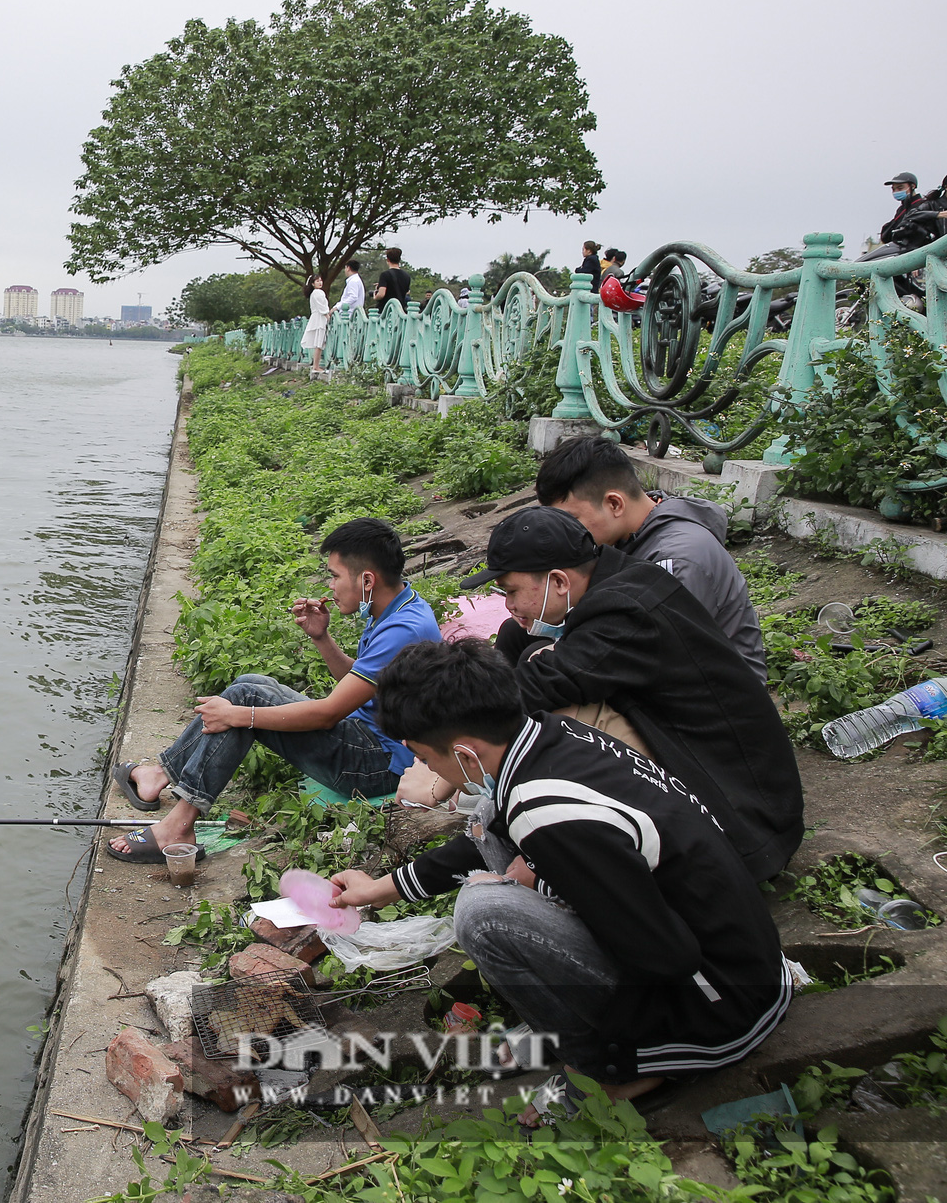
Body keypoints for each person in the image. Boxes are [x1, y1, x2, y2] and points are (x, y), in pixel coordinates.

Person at [327, 639, 790, 1106]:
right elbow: (485, 835)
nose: (423, 769)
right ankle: (594, 1037)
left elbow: (664, 955)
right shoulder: (549, 737)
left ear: (466, 754)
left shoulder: (545, 813)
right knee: (488, 826)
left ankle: (608, 1067)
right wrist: (382, 889)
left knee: (484, 912)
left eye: (426, 758)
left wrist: (526, 882)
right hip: (742, 954)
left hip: (720, 1006)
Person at [459, 507, 802, 882]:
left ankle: (549, 848)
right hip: (739, 790)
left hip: (742, 826)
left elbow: (534, 688)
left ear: (559, 581)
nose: (508, 605)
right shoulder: (625, 581)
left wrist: (450, 754)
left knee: (557, 721)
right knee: (525, 650)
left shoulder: (624, 612)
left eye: (511, 591)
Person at [107, 517, 442, 862]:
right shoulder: (396, 606)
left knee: (244, 702)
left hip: (380, 766)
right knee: (251, 685)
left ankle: (176, 825)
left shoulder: (403, 629)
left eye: (335, 575)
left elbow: (329, 713)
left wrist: (239, 715)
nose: (330, 586)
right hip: (370, 740)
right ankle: (160, 775)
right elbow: (360, 684)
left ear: (367, 580)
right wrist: (321, 637)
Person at [534, 436, 765, 680]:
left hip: (715, 701)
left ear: (614, 504)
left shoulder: (677, 559)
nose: (565, 532)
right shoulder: (629, 535)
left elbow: (652, 655)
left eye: (571, 520)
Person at [302, 276, 331, 370]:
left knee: (319, 344)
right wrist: (327, 314)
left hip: (316, 317)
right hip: (319, 318)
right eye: (317, 281)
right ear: (313, 283)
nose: (320, 282)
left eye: (321, 280)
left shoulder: (314, 293)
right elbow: (321, 306)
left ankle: (316, 365)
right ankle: (316, 366)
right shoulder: (318, 292)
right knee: (319, 343)